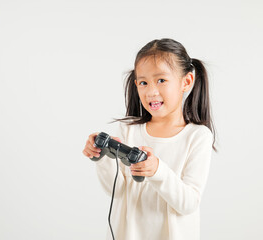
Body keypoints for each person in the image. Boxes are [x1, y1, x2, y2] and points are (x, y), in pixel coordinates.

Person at [82, 38, 217, 240]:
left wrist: (157, 171)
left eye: (161, 80)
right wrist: (102, 157)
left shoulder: (197, 137)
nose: (151, 91)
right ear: (136, 84)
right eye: (144, 83)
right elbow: (117, 191)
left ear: (186, 82)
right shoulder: (128, 129)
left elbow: (188, 203)